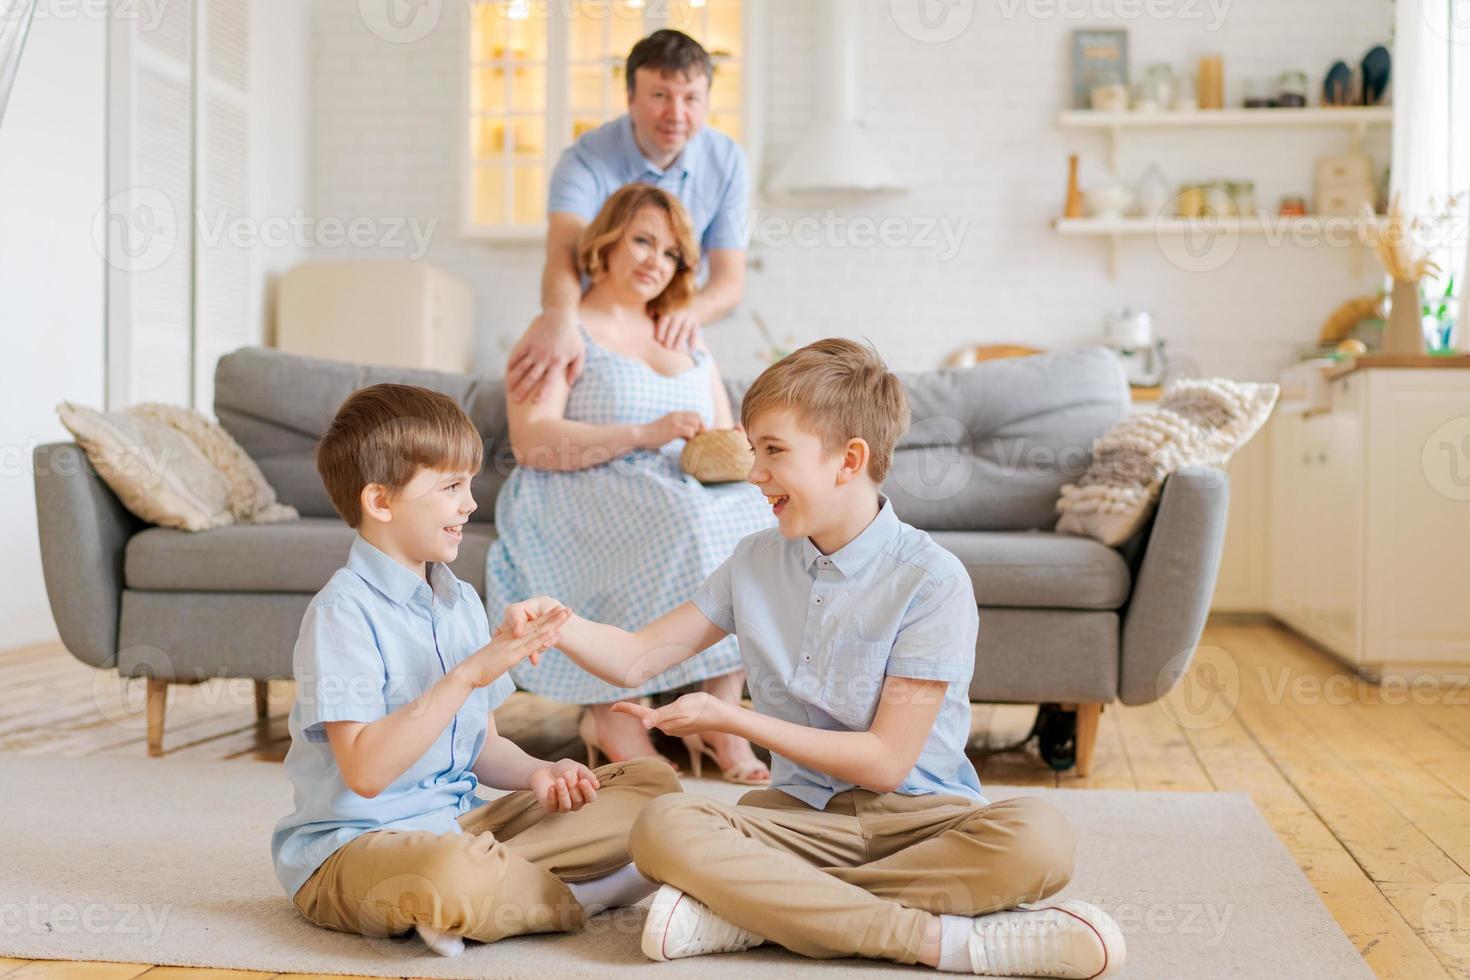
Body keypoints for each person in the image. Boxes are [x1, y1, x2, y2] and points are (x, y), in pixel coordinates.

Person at [497, 340, 1127, 977]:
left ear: (848, 460)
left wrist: (733, 720)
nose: (753, 474)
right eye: (753, 452)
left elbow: (884, 763)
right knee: (664, 827)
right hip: (797, 822)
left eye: (773, 452)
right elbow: (638, 659)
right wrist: (561, 622)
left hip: (923, 823)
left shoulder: (931, 579)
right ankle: (937, 941)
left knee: (1040, 840)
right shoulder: (753, 561)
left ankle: (754, 911)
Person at [270, 383, 681, 958]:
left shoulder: (458, 598)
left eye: (468, 485)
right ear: (381, 502)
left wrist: (543, 772)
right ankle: (575, 898)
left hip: (460, 829)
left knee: (651, 790)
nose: (469, 504)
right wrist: (467, 674)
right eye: (451, 487)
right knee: (447, 872)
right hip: (354, 848)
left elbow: (482, 746)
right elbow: (365, 771)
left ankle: (486, 902)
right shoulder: (342, 614)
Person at [487, 183, 774, 784]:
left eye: (670, 253)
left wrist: (741, 440)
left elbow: (722, 431)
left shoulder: (682, 331)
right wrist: (646, 433)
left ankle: (722, 714)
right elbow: (533, 440)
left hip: (684, 485)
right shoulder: (564, 329)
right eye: (643, 240)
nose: (654, 261)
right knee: (688, 519)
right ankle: (612, 715)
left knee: (766, 521)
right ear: (607, 240)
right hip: (584, 484)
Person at [508, 28, 749, 404]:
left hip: (669, 322)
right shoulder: (584, 160)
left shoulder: (729, 161)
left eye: (691, 99)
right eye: (659, 96)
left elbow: (729, 280)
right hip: (596, 329)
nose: (676, 114)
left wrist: (689, 313)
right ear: (631, 99)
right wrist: (559, 320)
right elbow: (563, 255)